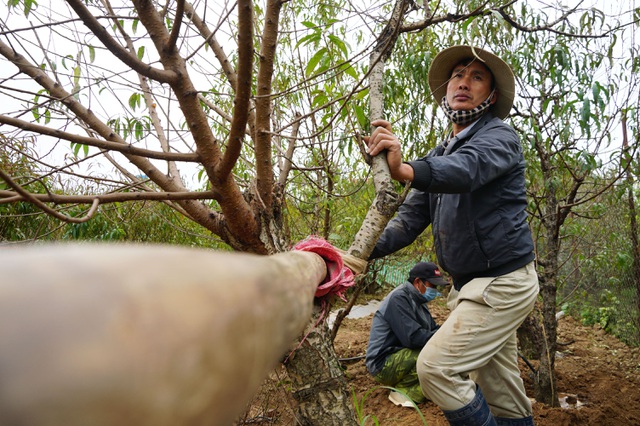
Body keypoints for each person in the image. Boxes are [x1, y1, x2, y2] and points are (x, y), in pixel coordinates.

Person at [364, 45, 539, 426]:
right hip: (473, 287)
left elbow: (467, 169)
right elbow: (409, 221)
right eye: (458, 75)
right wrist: (356, 252)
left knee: (436, 369)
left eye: (477, 77)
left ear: (491, 96)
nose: (464, 82)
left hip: (503, 282)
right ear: (446, 90)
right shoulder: (442, 150)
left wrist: (407, 169)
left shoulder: (500, 138)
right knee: (501, 391)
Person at [365, 261, 447, 407]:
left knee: (438, 355)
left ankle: (417, 388)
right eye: (432, 285)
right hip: (383, 364)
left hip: (401, 355)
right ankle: (402, 391)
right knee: (432, 356)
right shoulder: (399, 298)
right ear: (417, 282)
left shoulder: (419, 301)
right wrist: (445, 338)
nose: (435, 290)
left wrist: (449, 332)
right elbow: (413, 338)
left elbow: (432, 329)